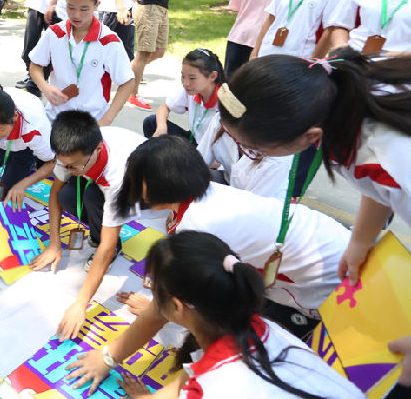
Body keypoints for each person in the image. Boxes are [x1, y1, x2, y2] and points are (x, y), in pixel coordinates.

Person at [67, 231, 363, 399]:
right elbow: (194, 374)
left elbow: (201, 381)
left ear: (177, 307)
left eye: (154, 291)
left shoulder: (214, 387)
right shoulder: (259, 327)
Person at [111, 136, 351, 337]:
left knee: (251, 336)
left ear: (159, 184)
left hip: (331, 280)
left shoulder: (197, 223)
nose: (134, 188)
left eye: (137, 180)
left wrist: (158, 310)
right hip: (331, 243)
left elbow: (198, 301)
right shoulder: (206, 194)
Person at [216, 49, 410, 285]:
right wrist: (360, 241)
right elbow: (378, 189)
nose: (248, 155)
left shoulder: (388, 161)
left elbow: (384, 178)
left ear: (310, 136)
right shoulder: (334, 82)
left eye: (254, 149)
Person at [29, 112, 146, 330]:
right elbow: (55, 193)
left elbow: (107, 247)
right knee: (66, 195)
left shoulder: (118, 175)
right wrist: (54, 244)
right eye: (64, 165)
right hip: (101, 174)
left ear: (98, 149)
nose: (68, 170)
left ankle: (100, 231)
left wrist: (80, 304)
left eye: (74, 166)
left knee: (93, 197)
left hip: (141, 182)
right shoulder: (73, 153)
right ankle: (98, 225)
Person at [28, 0, 136, 124]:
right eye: (71, 7)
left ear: (97, 5)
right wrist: (45, 87)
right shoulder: (55, 33)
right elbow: (35, 65)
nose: (76, 15)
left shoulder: (108, 41)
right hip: (55, 118)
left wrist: (105, 120)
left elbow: (127, 82)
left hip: (92, 122)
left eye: (84, 9)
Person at [0, 85, 55, 206]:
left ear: (15, 116)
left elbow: (52, 162)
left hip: (23, 149)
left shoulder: (34, 129)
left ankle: (30, 160)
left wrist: (23, 184)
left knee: (7, 193)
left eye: (0, 129)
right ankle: (5, 156)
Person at [196, 113, 292, 199]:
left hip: (258, 203)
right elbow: (197, 164)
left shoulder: (277, 154)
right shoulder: (222, 120)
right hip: (229, 184)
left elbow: (251, 205)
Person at [143, 48, 223, 145]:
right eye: (183, 76)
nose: (185, 83)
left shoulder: (225, 101)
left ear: (213, 76)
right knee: (151, 122)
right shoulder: (192, 91)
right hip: (193, 141)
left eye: (192, 78)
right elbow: (164, 107)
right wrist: (161, 127)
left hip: (212, 149)